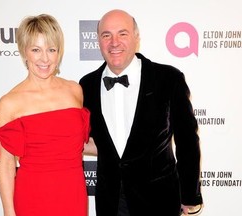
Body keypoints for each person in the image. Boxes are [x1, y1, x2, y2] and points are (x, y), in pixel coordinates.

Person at [80, 9, 203, 216]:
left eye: (123, 33)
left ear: (136, 38)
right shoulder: (86, 86)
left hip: (160, 200)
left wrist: (189, 195)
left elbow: (187, 140)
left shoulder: (168, 79)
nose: (114, 42)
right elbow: (86, 140)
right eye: (106, 35)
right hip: (110, 203)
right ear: (98, 41)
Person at [0, 14, 90, 216]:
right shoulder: (9, 103)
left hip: (74, 195)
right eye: (36, 50)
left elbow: (79, 143)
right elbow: (7, 166)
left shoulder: (74, 91)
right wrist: (10, 213)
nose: (45, 58)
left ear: (58, 52)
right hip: (33, 196)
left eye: (51, 50)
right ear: (24, 52)